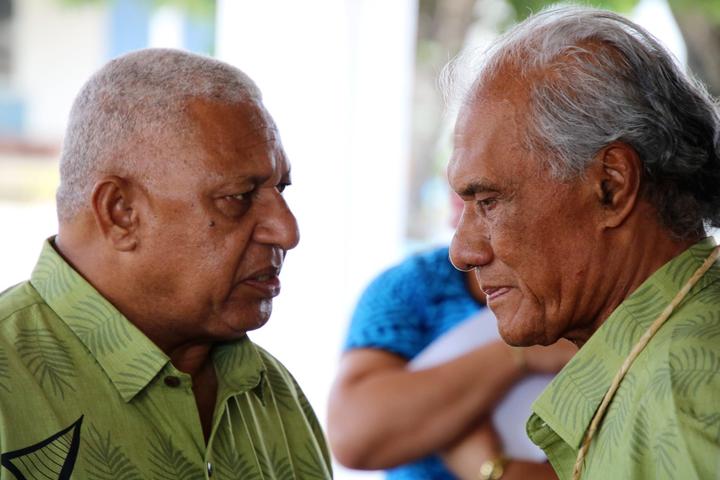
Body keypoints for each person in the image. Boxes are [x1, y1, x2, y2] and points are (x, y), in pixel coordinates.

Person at [0, 49, 332, 479]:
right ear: (121, 212)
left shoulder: (270, 389)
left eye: (280, 189)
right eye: (239, 197)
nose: (286, 231)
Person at [446, 5, 720, 480]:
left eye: (488, 201)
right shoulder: (666, 362)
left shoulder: (682, 399)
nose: (462, 251)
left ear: (611, 186)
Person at [327, 199, 576, 479]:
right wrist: (517, 355)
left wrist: (491, 468)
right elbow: (352, 437)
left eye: (486, 196)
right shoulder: (413, 286)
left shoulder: (590, 290)